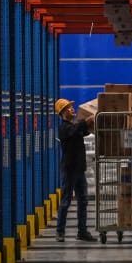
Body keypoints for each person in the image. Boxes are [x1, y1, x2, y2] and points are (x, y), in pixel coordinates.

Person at [54, 98, 96, 242]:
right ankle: (60, 231)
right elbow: (75, 130)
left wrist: (90, 123)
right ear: (63, 112)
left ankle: (82, 231)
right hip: (69, 170)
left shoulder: (73, 127)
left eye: (72, 107)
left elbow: (83, 131)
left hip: (79, 169)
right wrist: (85, 121)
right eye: (69, 108)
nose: (72, 109)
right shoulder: (64, 128)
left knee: (83, 200)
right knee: (66, 201)